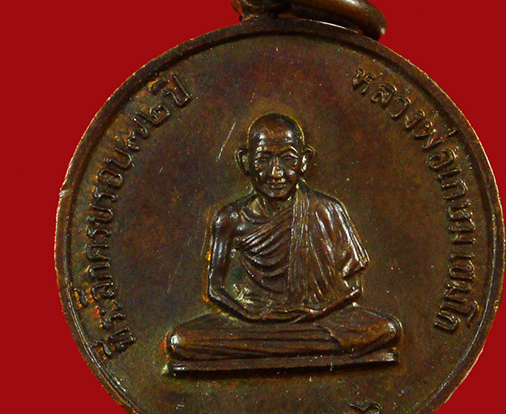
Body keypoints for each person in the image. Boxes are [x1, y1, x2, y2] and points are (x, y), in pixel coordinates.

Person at [167, 114, 399, 365]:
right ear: (245, 161)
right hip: (252, 322)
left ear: (304, 161)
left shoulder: (327, 210)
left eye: (287, 159)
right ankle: (293, 345)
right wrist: (251, 315)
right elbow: (215, 288)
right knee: (182, 340)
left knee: (384, 329)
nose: (275, 172)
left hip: (318, 319)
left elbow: (353, 286)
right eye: (263, 159)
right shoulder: (230, 218)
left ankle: (279, 345)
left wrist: (316, 312)